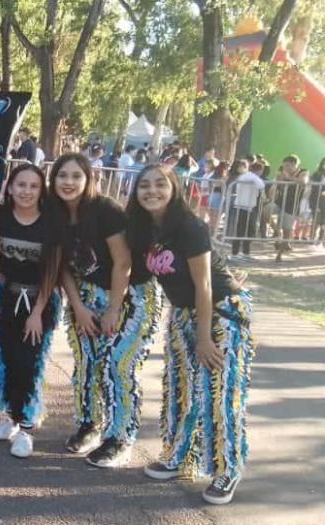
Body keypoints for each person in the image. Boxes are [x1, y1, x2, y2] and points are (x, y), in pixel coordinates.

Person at [127, 164, 254, 505]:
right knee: (180, 390)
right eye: (144, 185)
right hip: (183, 313)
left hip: (220, 313)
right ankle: (181, 455)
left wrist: (204, 337)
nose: (151, 190)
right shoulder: (144, 230)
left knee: (220, 392)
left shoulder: (189, 226)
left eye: (159, 184)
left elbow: (205, 284)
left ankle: (229, 468)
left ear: (174, 188)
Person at [50, 153, 161, 468]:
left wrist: (113, 308)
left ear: (88, 179)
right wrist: (78, 306)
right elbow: (62, 268)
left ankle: (120, 438)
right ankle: (90, 424)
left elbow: (123, 262)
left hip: (131, 295)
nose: (68, 182)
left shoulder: (105, 210)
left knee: (117, 365)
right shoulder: (55, 215)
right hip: (85, 295)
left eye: (75, 176)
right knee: (86, 362)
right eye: (62, 176)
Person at [0, 163, 62, 458]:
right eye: (21, 185)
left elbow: (52, 272)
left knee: (29, 364)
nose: (26, 191)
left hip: (37, 302)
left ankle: (27, 429)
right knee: (5, 360)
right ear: (11, 187)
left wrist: (36, 312)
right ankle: (9, 417)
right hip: (5, 298)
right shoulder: (1, 215)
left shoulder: (50, 222)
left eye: (33, 186)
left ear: (41, 190)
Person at [227, 159, 264, 261]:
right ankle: (238, 253)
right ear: (259, 171)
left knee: (244, 231)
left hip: (245, 206)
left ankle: (242, 253)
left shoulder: (245, 176)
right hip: (244, 207)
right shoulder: (251, 177)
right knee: (245, 231)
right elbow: (261, 185)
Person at [271, 155, 305, 261]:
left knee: (287, 230)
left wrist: (288, 178)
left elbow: (303, 181)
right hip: (279, 201)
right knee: (265, 211)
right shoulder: (281, 171)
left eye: (288, 165)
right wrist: (274, 186)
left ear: (295, 165)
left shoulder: (303, 172)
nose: (285, 168)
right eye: (284, 165)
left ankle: (279, 254)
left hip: (292, 205)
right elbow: (276, 184)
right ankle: (277, 232)